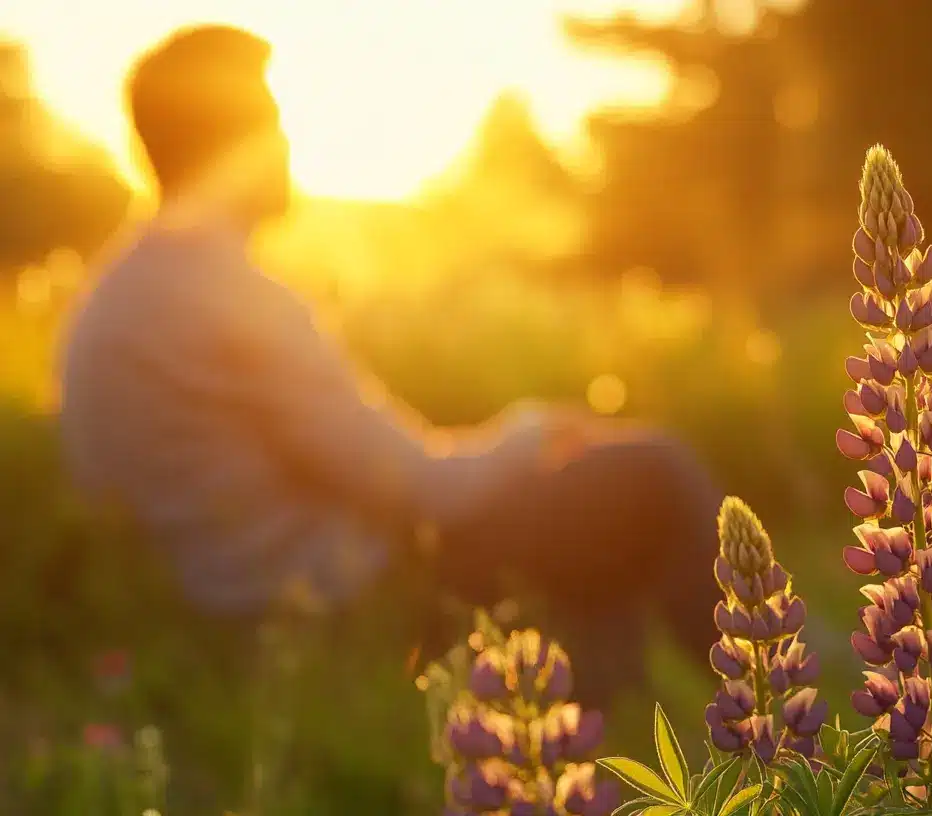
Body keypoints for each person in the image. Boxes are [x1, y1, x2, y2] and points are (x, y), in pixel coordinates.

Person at [56, 23, 720, 706]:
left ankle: (602, 736)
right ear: (228, 148)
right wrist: (532, 432)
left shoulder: (111, 296)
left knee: (581, 514)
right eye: (274, 124)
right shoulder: (228, 295)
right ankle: (784, 705)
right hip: (340, 605)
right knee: (649, 476)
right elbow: (418, 487)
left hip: (227, 615)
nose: (287, 145)